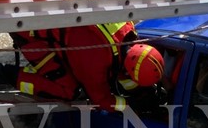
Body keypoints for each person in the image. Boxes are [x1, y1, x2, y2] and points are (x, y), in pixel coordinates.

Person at [9, 22, 166, 113]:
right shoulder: (97, 58)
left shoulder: (128, 29)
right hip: (29, 32)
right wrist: (130, 105)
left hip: (61, 26)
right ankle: (5, 74)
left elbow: (121, 68)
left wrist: (142, 92)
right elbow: (100, 99)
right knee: (70, 91)